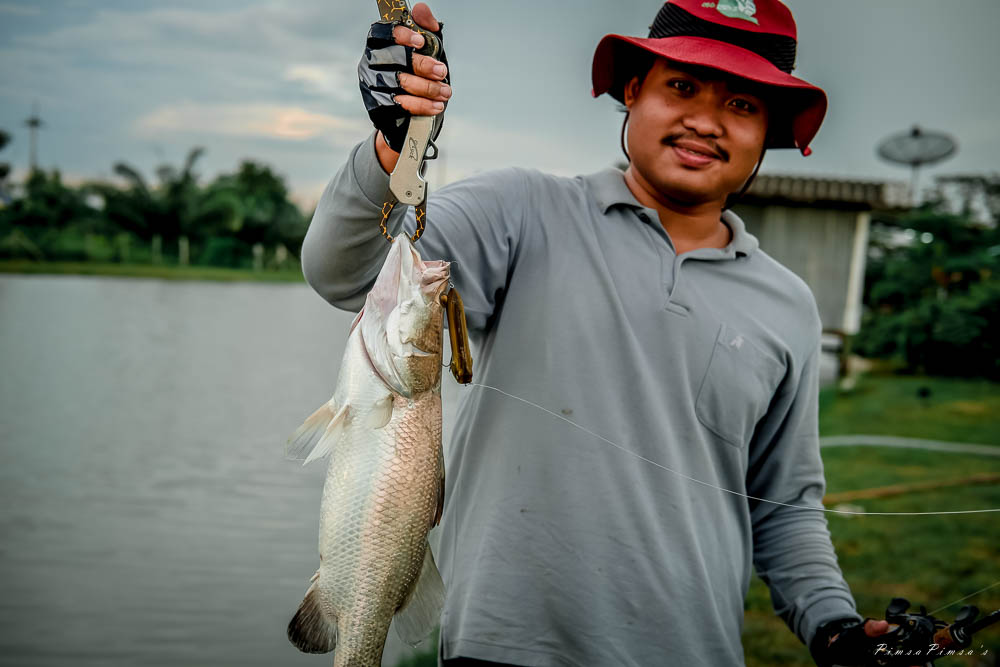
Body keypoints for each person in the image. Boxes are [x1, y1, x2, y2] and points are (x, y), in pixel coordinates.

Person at [301, 1, 904, 664]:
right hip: (501, 648)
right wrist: (393, 145)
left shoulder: (789, 304)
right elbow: (345, 274)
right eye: (682, 86)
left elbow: (786, 506)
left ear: (770, 129)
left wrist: (834, 625)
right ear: (634, 89)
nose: (704, 119)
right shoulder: (522, 209)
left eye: (741, 103)